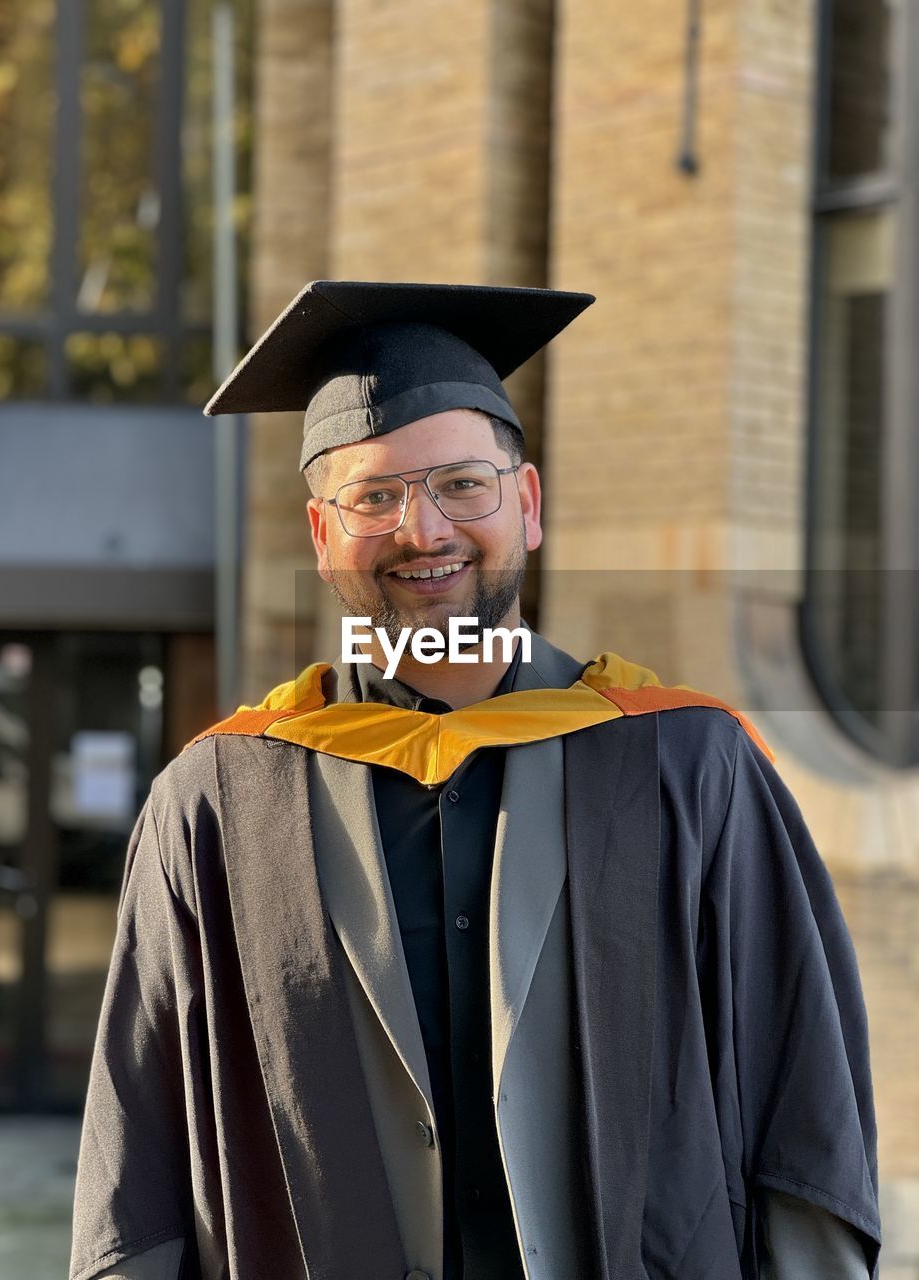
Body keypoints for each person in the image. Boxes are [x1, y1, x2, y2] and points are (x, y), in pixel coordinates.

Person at [69, 281, 881, 1280]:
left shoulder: (688, 764)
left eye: (463, 483)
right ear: (322, 538)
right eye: (374, 496)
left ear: (526, 504)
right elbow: (136, 1162)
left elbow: (804, 1116)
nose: (425, 529)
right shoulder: (219, 798)